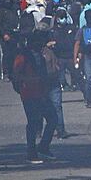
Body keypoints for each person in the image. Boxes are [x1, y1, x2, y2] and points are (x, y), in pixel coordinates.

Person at [12, 31, 57, 164]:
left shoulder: (41, 56)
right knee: (33, 122)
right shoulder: (23, 56)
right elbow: (16, 75)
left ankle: (43, 147)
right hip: (29, 94)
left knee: (53, 118)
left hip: (42, 93)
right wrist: (23, 88)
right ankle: (31, 152)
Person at [42, 31, 69, 139]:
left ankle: (60, 130)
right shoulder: (40, 52)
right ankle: (57, 130)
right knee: (49, 107)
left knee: (56, 107)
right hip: (45, 82)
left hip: (52, 82)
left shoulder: (53, 50)